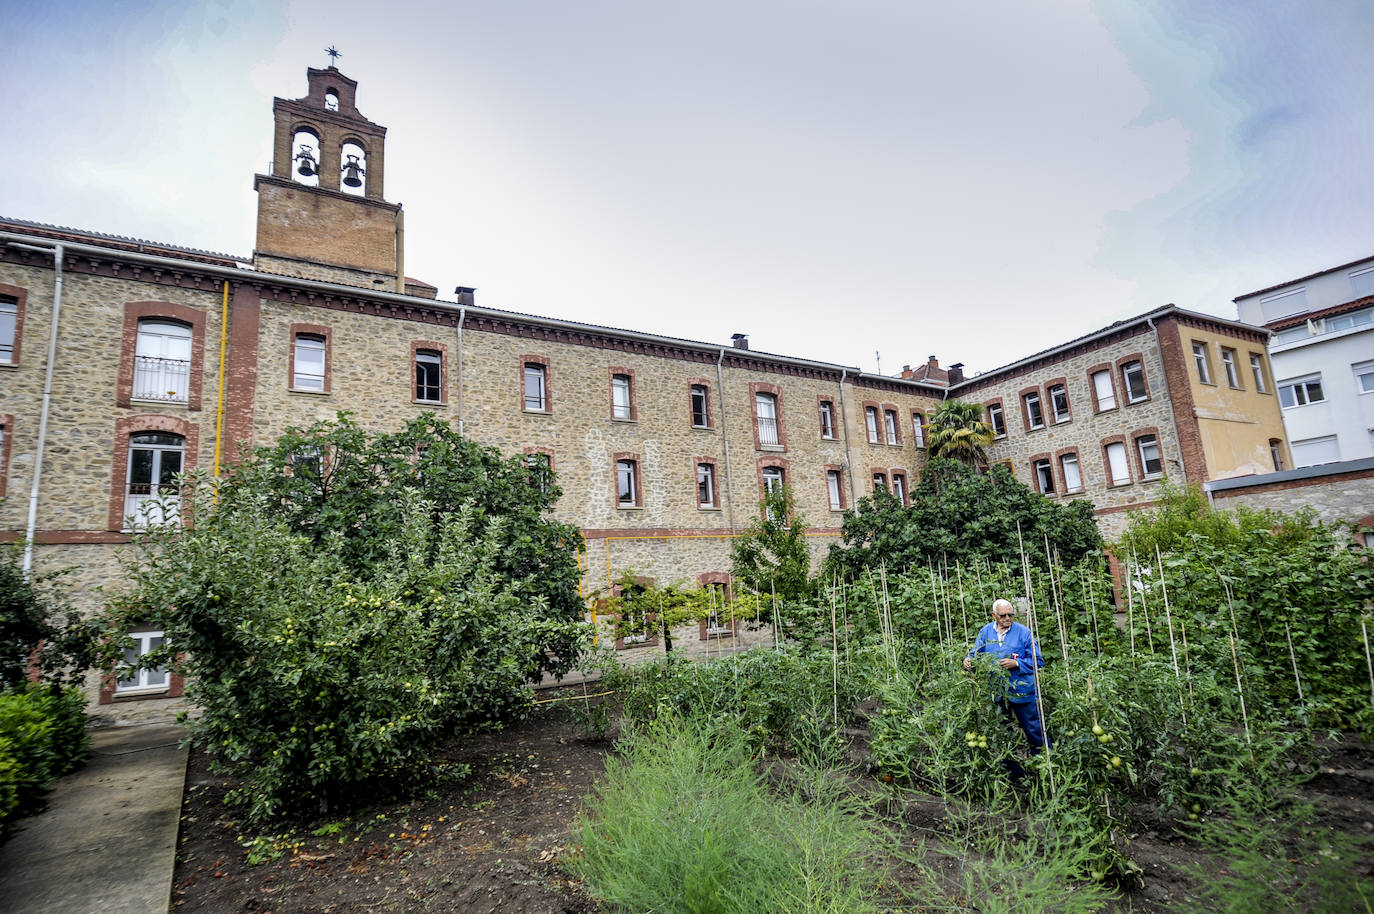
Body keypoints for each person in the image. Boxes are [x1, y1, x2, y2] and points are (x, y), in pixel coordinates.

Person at [963, 598, 1049, 757]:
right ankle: (1011, 768)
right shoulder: (985, 632)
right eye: (1003, 615)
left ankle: (1044, 760)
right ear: (994, 615)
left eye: (1010, 615)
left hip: (1021, 691)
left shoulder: (1024, 632)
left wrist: (1016, 663)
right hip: (997, 691)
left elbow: (1038, 661)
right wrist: (968, 660)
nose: (1008, 618)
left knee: (1033, 729)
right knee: (1003, 733)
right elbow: (976, 653)